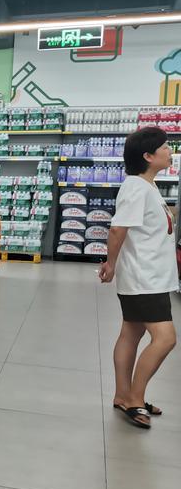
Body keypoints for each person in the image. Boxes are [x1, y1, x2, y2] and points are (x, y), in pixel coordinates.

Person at [99, 126, 178, 429]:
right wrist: (110, 264)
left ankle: (123, 395)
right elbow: (119, 228)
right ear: (148, 156)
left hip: (149, 275)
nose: (170, 151)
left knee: (131, 333)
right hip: (145, 278)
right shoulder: (135, 186)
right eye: (165, 146)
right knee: (165, 339)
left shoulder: (148, 185)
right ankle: (135, 398)